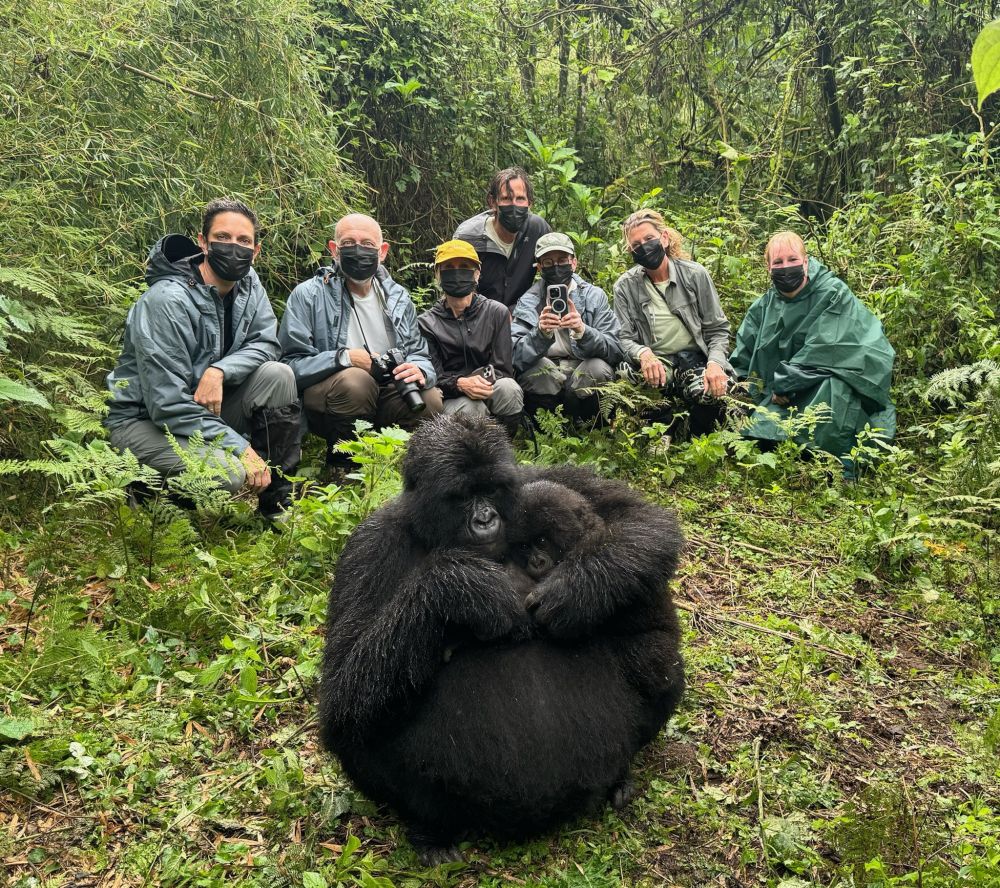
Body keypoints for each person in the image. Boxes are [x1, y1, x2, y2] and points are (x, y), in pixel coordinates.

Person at [105, 198, 300, 518]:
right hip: (144, 420)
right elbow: (166, 404)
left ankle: (275, 507)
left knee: (278, 375)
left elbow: (266, 343)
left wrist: (220, 371)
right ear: (203, 242)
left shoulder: (249, 284)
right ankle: (147, 492)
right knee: (229, 473)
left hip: (203, 407)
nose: (233, 247)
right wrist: (240, 447)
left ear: (256, 251)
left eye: (243, 241)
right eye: (222, 237)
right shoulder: (167, 301)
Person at [278, 214, 442, 470]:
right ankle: (343, 466)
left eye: (367, 244)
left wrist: (419, 370)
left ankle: (399, 469)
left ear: (382, 251)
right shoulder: (308, 294)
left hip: (386, 390)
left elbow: (418, 353)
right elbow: (290, 365)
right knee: (357, 381)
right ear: (334, 250)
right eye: (348, 243)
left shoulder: (397, 297)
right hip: (331, 396)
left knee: (430, 398)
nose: (358, 250)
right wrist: (343, 358)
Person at [730, 231, 896, 468]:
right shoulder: (763, 307)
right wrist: (744, 390)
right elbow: (743, 359)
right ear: (768, 268)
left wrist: (788, 382)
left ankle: (835, 463)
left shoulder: (833, 293)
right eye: (778, 262)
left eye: (793, 259)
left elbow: (834, 347)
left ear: (806, 262)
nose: (786, 267)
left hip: (823, 381)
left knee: (834, 390)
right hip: (777, 392)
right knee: (759, 427)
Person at [614, 209, 733, 435]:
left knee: (710, 390)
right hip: (657, 363)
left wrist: (715, 363)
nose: (644, 247)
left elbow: (718, 329)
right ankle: (661, 426)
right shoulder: (625, 286)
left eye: (649, 238)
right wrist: (643, 354)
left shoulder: (695, 275)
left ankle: (697, 433)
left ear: (664, 238)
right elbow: (623, 337)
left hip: (694, 358)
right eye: (636, 245)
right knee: (625, 372)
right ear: (631, 251)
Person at [511, 232, 623, 421]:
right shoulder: (528, 301)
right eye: (548, 262)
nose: (556, 267)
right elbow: (514, 356)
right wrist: (540, 334)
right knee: (539, 369)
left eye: (562, 260)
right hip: (548, 373)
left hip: (581, 368)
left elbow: (615, 349)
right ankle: (549, 429)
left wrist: (583, 331)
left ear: (574, 263)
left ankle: (590, 428)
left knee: (598, 368)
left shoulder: (594, 296)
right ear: (539, 267)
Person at [418, 240, 523, 436]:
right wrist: (460, 384)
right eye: (449, 267)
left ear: (477, 273)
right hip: (452, 396)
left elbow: (503, 368)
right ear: (437, 274)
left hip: (489, 384)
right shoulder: (426, 323)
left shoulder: (496, 312)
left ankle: (505, 445)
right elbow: (433, 375)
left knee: (509, 388)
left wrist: (479, 382)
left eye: (465, 266)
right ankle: (469, 452)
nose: (457, 272)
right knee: (470, 407)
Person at [453, 167, 551, 310]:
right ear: (492, 202)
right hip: (478, 315)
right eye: (506, 198)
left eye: (520, 199)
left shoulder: (537, 229)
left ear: (529, 203)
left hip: (522, 313)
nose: (514, 205)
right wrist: (498, 316)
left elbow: (559, 269)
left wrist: (525, 308)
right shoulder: (468, 237)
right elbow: (456, 290)